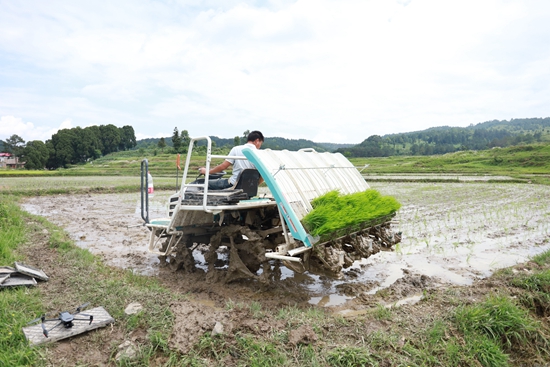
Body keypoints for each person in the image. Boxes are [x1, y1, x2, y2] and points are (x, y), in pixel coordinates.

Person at [198, 130, 264, 190]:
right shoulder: (261, 154)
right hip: (249, 187)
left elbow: (223, 166)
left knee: (203, 183)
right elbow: (263, 176)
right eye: (261, 143)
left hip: (233, 184)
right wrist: (254, 186)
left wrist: (207, 171)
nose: (260, 146)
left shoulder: (236, 149)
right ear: (257, 141)